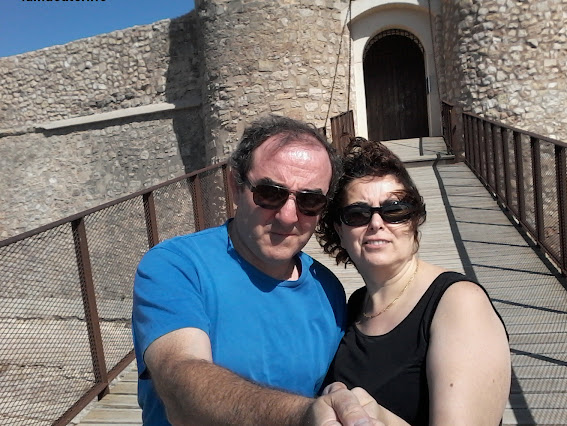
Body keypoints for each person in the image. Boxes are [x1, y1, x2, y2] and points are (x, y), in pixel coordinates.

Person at [132, 115, 381, 425]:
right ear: (236, 187)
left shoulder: (327, 288)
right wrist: (302, 414)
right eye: (270, 194)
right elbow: (180, 385)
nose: (288, 216)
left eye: (310, 200)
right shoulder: (176, 266)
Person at [316, 137, 511, 425]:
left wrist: (369, 415)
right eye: (357, 214)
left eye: (395, 210)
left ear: (414, 219)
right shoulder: (356, 305)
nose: (376, 223)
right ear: (340, 231)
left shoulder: (458, 304)